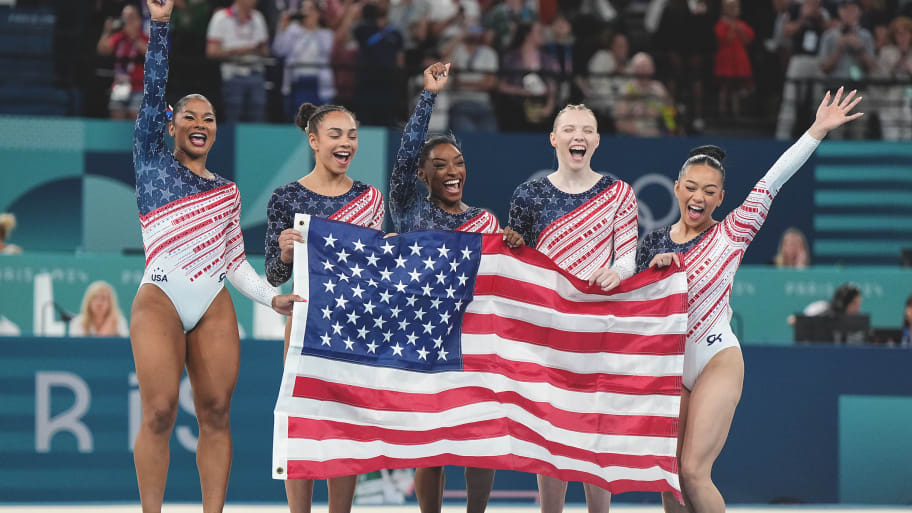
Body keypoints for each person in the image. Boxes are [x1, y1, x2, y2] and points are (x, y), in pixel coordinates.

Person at [637, 87, 862, 513]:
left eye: (709, 191)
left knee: (692, 472)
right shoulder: (650, 245)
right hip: (668, 362)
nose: (698, 197)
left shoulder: (732, 233)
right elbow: (624, 298)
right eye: (691, 188)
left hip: (715, 357)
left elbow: (773, 180)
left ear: (721, 198)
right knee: (668, 482)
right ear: (676, 188)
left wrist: (816, 130)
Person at [131, 3, 301, 512]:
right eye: (189, 117)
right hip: (160, 293)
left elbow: (233, 263)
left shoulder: (227, 192)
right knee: (159, 412)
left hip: (212, 300)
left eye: (208, 118)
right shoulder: (151, 161)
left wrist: (273, 299)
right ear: (171, 126)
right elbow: (153, 90)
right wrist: (160, 26)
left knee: (216, 412)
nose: (200, 123)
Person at [508, 103, 639, 513]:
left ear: (597, 140)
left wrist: (617, 272)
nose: (577, 136)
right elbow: (517, 262)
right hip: (547, 330)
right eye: (569, 129)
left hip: (600, 326)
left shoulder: (618, 192)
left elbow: (628, 257)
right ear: (554, 138)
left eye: (586, 130)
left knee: (596, 427)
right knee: (552, 428)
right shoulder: (528, 195)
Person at [390, 62, 509, 513]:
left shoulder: (487, 221)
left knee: (479, 437)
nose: (451, 171)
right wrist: (428, 97)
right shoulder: (409, 210)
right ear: (422, 176)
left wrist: (510, 247)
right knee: (432, 442)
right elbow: (403, 160)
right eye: (438, 165)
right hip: (424, 340)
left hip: (475, 339)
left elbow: (501, 286)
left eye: (458, 163)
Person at [265, 101, 385, 513]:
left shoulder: (370, 199)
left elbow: (378, 267)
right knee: (303, 423)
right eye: (335, 135)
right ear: (313, 141)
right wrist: (282, 253)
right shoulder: (286, 197)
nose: (345, 143)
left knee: (345, 427)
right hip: (304, 324)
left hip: (355, 326)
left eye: (351, 136)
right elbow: (272, 275)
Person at [272, 0, 337, 121]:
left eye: (310, 9)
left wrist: (312, 29)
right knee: (300, 120)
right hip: (298, 82)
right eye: (304, 9)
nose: (306, 12)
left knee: (320, 121)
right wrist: (282, 29)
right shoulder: (293, 31)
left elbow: (325, 50)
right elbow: (279, 50)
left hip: (318, 83)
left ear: (318, 14)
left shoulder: (326, 34)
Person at [206, 0, 270, 123]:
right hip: (232, 73)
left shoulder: (258, 17)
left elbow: (266, 51)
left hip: (256, 72)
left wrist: (257, 49)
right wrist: (239, 51)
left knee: (258, 116)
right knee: (233, 116)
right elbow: (211, 51)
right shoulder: (221, 17)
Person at [818, 0, 874, 139]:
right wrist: (839, 48)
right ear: (840, 12)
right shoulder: (829, 36)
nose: (849, 14)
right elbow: (824, 68)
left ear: (859, 12)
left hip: (859, 91)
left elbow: (871, 67)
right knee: (835, 134)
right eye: (846, 10)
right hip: (836, 91)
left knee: (859, 133)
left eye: (853, 10)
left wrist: (859, 49)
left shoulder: (866, 36)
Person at [97, 4, 149, 120]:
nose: (127, 21)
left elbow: (150, 55)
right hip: (120, 85)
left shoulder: (144, 37)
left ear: (138, 20)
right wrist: (107, 32)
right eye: (124, 17)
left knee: (135, 117)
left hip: (139, 86)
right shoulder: (119, 37)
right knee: (116, 117)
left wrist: (134, 37)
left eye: (131, 17)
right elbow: (103, 50)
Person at [714, 0, 754, 118]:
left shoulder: (742, 25)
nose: (733, 10)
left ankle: (736, 112)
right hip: (726, 60)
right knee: (724, 87)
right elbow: (726, 39)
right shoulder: (721, 24)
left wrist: (737, 26)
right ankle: (722, 111)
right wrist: (732, 26)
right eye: (730, 7)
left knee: (737, 87)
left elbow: (747, 40)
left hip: (739, 60)